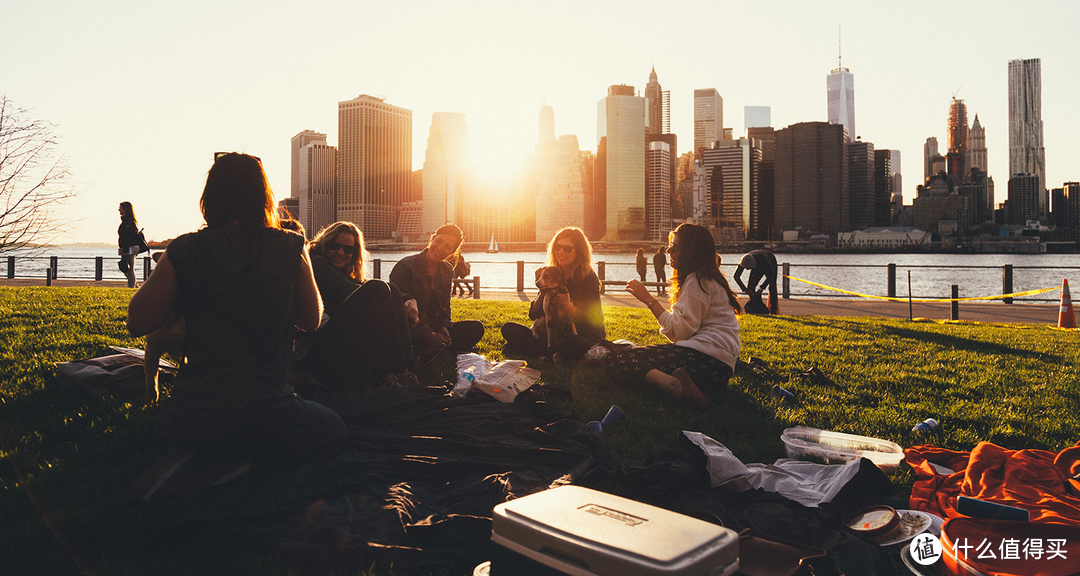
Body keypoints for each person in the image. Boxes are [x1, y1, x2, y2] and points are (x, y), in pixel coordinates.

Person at [126, 153, 347, 468]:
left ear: (209, 198)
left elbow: (137, 321)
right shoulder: (291, 245)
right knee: (335, 429)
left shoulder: (184, 249)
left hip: (195, 417)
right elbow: (311, 320)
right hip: (269, 413)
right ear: (264, 197)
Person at [604, 223, 741, 409]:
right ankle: (690, 388)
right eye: (669, 246)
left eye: (674, 248)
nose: (669, 251)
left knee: (618, 360)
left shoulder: (695, 281)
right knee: (638, 358)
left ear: (691, 252)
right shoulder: (710, 279)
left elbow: (679, 332)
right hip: (720, 371)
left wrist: (649, 300)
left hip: (703, 360)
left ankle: (674, 386)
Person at [304, 221, 418, 392]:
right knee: (378, 288)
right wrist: (394, 302)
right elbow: (351, 290)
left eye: (348, 249)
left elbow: (364, 286)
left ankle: (403, 370)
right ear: (325, 243)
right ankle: (394, 370)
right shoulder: (318, 264)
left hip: (335, 339)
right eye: (335, 246)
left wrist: (409, 299)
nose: (341, 253)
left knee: (390, 288)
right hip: (318, 346)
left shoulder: (343, 271)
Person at [501, 226, 605, 363]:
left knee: (569, 342)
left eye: (567, 249)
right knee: (509, 328)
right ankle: (549, 355)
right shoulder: (551, 274)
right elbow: (533, 315)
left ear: (579, 252)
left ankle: (540, 354)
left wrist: (566, 306)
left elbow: (594, 318)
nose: (561, 251)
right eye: (557, 247)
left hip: (581, 335)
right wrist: (542, 295)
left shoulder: (588, 278)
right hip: (552, 335)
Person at [390, 223, 484, 359]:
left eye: (447, 247)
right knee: (406, 333)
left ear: (452, 251)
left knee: (476, 327)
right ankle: (433, 348)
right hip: (410, 327)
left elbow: (445, 307)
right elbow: (398, 308)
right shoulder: (406, 266)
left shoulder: (447, 270)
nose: (440, 248)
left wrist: (444, 327)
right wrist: (430, 334)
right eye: (438, 241)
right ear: (432, 238)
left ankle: (434, 347)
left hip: (433, 326)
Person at [733, 249, 779, 315]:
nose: (747, 269)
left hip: (770, 260)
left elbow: (771, 276)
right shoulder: (743, 260)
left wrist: (761, 288)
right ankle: (757, 307)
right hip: (756, 261)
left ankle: (773, 311)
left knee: (772, 286)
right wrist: (745, 289)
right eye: (746, 268)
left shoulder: (764, 261)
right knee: (750, 287)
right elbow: (736, 276)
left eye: (749, 268)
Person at [117, 202, 142, 288]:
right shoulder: (126, 221)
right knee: (123, 266)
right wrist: (121, 250)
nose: (119, 210)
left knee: (129, 267)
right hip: (124, 247)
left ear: (125, 209)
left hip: (130, 247)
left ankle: (131, 286)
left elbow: (128, 237)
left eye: (120, 208)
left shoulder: (129, 222)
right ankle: (134, 284)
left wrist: (125, 250)